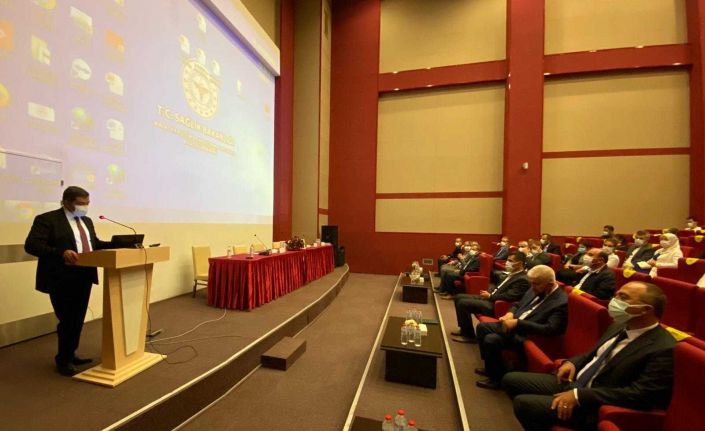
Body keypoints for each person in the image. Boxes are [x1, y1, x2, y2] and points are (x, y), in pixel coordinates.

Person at [503, 282, 675, 431]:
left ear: (645, 310)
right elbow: (593, 354)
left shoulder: (664, 347)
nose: (614, 301)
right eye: (616, 295)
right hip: (576, 381)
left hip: (595, 403)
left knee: (524, 404)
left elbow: (640, 395)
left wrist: (580, 396)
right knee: (511, 380)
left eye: (623, 297)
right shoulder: (618, 325)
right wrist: (572, 363)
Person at [24, 186, 112, 376]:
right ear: (66, 202)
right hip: (60, 277)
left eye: (87, 203)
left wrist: (119, 243)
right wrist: (60, 253)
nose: (85, 207)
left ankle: (70, 354)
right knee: (67, 320)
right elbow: (32, 245)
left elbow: (94, 244)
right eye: (81, 203)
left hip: (84, 275)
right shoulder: (47, 219)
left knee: (77, 318)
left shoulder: (86, 221)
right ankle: (63, 360)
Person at [474, 265, 568, 390]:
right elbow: (518, 304)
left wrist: (518, 323)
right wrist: (510, 313)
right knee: (482, 328)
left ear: (550, 284)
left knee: (491, 339)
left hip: (528, 336)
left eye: (535, 284)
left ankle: (496, 379)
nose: (532, 287)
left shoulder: (561, 302)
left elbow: (551, 329)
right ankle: (491, 368)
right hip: (515, 326)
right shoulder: (536, 288)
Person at [451, 251, 531, 343]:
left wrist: (490, 296)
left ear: (519, 263)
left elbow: (509, 296)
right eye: (507, 260)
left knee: (463, 303)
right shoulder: (512, 273)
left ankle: (468, 335)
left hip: (497, 306)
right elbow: (498, 287)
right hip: (492, 298)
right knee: (458, 297)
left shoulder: (522, 279)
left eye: (510, 261)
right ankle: (464, 329)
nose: (507, 263)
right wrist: (489, 292)